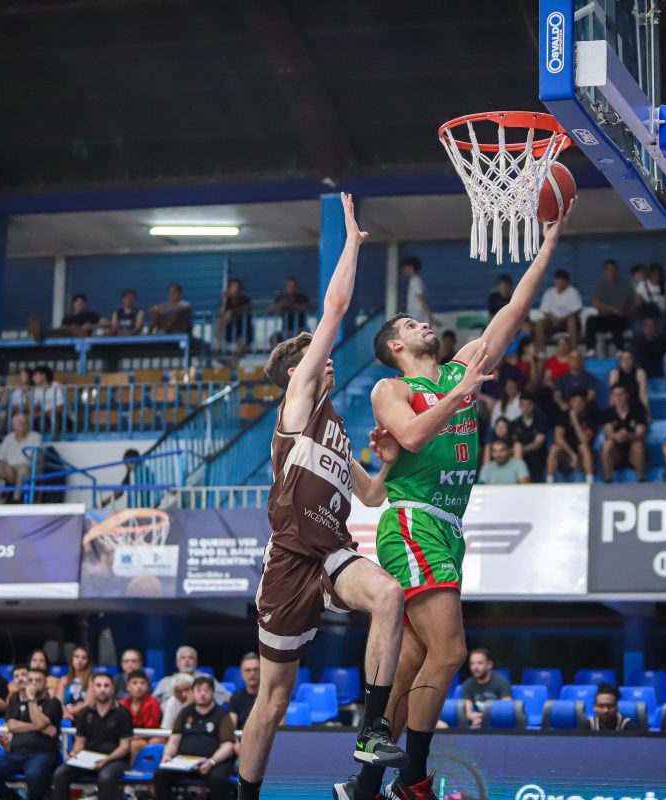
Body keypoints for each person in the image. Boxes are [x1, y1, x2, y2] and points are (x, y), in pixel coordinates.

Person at [349, 201, 571, 800]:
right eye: (411, 325)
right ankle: (412, 780)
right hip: (412, 522)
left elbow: (514, 310)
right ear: (395, 344)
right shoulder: (391, 387)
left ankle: (363, 784)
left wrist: (548, 241)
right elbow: (415, 435)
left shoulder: (459, 366)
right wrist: (461, 394)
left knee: (411, 664)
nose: (426, 325)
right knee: (451, 653)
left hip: (448, 524)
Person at [239, 195, 407, 800]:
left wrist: (385, 465)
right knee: (274, 702)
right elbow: (336, 305)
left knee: (389, 594)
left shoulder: (333, 424)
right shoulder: (298, 404)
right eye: (316, 354)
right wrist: (352, 243)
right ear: (297, 371)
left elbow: (368, 494)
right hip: (289, 562)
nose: (326, 357)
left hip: (334, 554)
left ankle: (371, 730)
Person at [0, 666, 62, 800]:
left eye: (38, 680)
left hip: (42, 753)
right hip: (16, 753)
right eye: (31, 680)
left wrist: (31, 699)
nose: (33, 683)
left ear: (45, 683)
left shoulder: (53, 703)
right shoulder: (16, 699)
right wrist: (39, 727)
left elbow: (40, 722)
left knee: (35, 777)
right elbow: (11, 725)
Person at [53, 673, 133, 800]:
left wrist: (106, 760)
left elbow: (125, 747)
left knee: (105, 777)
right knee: (60, 773)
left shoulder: (123, 713)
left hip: (115, 760)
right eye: (98, 685)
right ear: (92, 689)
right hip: (89, 759)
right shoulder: (85, 713)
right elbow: (80, 742)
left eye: (106, 686)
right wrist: (74, 753)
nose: (102, 689)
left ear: (112, 689)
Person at [156, 677, 237, 800]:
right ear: (192, 693)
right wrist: (167, 755)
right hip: (185, 762)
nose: (202, 694)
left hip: (213, 762)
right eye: (198, 690)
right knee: (159, 775)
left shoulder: (222, 714)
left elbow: (228, 746)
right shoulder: (184, 712)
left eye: (206, 690)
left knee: (218, 779)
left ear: (212, 693)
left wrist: (211, 762)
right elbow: (173, 741)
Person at [0, 413, 41, 503]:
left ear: (28, 425)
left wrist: (13, 469)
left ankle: (16, 500)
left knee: (23, 470)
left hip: (26, 468)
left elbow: (35, 459)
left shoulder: (35, 437)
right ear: (14, 426)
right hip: (8, 467)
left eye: (25, 422)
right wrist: (6, 466)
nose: (22, 424)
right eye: (19, 422)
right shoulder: (8, 438)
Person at [546, 390, 596, 483]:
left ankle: (590, 481)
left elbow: (584, 440)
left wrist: (575, 419)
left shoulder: (589, 417)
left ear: (585, 403)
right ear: (570, 403)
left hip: (583, 456)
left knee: (583, 447)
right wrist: (572, 455)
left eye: (581, 401)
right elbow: (558, 438)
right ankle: (549, 481)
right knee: (554, 448)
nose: (577, 404)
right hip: (567, 453)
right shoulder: (563, 416)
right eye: (574, 401)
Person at [600, 383, 647, 483]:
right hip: (616, 453)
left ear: (627, 395)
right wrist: (616, 436)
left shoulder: (638, 411)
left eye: (621, 394)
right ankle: (608, 481)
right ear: (612, 397)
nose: (619, 397)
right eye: (615, 394)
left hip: (633, 452)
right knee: (607, 444)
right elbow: (609, 433)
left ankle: (642, 480)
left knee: (638, 445)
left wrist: (628, 435)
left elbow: (641, 433)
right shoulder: (608, 413)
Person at [585, 259, 632, 355]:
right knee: (591, 320)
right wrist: (612, 309)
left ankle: (620, 349)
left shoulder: (625, 285)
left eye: (614, 269)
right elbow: (595, 303)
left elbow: (632, 302)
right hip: (605, 318)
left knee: (614, 319)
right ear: (605, 271)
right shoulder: (600, 285)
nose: (612, 272)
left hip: (622, 319)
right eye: (609, 269)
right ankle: (591, 349)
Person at [152, 646, 227, 704]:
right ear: (177, 663)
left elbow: (226, 697)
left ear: (196, 662)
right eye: (183, 658)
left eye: (191, 658)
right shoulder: (165, 681)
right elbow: (152, 703)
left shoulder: (207, 679)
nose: (187, 661)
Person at [459, 649, 512, 730]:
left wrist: (485, 720)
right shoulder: (467, 684)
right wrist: (473, 717)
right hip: (477, 723)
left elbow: (506, 711)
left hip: (497, 725)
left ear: (489, 665)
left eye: (479, 663)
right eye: (472, 663)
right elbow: (468, 712)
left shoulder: (502, 681)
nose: (475, 667)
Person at [535, 269, 583, 350]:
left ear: (567, 281)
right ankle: (541, 353)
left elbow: (577, 310)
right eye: (557, 280)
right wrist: (553, 319)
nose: (559, 282)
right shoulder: (549, 293)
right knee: (539, 323)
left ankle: (573, 350)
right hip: (552, 322)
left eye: (562, 280)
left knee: (572, 321)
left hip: (567, 321)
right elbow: (545, 311)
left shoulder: (573, 292)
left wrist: (562, 319)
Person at [121, 670, 166, 759]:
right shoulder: (122, 704)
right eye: (135, 683)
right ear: (128, 687)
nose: (139, 686)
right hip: (129, 737)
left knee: (140, 744)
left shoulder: (153, 703)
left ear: (147, 686)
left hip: (149, 736)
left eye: (142, 683)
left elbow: (152, 729)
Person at [513, 393, 549, 483]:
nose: (526, 407)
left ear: (533, 406)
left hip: (538, 459)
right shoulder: (515, 424)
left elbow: (537, 444)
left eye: (529, 404)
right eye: (523, 405)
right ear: (520, 406)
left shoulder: (540, 422)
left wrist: (521, 449)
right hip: (521, 460)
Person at [217, 279, 253, 355]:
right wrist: (224, 301)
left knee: (240, 330)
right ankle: (220, 347)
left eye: (237, 287)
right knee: (218, 321)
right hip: (230, 328)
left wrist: (232, 312)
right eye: (232, 287)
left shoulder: (245, 300)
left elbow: (247, 309)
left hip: (242, 328)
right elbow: (220, 314)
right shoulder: (228, 302)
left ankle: (239, 351)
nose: (235, 290)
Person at [59, 645, 96, 720]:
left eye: (83, 658)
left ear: (88, 661)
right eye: (77, 657)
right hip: (64, 716)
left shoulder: (92, 680)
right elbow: (58, 703)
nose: (79, 660)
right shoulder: (64, 679)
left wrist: (70, 712)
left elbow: (88, 704)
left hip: (84, 717)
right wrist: (65, 714)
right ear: (72, 659)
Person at [608, 349, 650, 413]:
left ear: (633, 360)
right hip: (621, 406)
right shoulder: (615, 373)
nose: (626, 361)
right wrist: (612, 413)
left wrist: (647, 411)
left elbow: (643, 394)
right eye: (624, 359)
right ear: (620, 361)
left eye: (628, 358)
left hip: (635, 404)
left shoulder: (640, 373)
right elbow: (613, 395)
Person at [227, 652, 260, 729]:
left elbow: (281, 729)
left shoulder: (271, 696)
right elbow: (231, 728)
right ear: (242, 673)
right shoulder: (235, 697)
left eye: (256, 669)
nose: (252, 673)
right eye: (248, 670)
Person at [401, 257, 432, 326]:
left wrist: (429, 316)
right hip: (416, 316)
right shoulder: (414, 280)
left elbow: (422, 298)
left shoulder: (415, 281)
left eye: (405, 267)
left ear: (411, 267)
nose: (403, 270)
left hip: (417, 316)